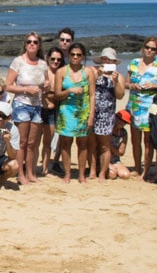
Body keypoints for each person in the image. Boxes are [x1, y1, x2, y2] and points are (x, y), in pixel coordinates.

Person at [6, 32, 48, 185]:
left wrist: (46, 86)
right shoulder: (18, 62)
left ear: (39, 45)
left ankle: (31, 173)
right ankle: (20, 174)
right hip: (21, 105)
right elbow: (8, 85)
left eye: (35, 42)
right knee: (22, 142)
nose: (32, 44)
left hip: (37, 105)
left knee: (32, 143)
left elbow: (46, 82)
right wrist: (26, 90)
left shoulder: (43, 63)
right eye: (29, 41)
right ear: (25, 44)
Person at [54, 42, 96, 183]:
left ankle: (81, 174)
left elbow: (92, 95)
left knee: (83, 144)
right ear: (68, 55)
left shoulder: (89, 72)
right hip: (66, 111)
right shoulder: (61, 72)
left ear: (83, 56)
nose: (75, 57)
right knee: (66, 144)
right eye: (73, 54)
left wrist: (91, 116)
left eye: (79, 55)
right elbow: (57, 95)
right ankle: (67, 173)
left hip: (83, 111)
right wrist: (70, 90)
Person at [126, 37, 157, 179]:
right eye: (147, 47)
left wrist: (155, 86)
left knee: (148, 141)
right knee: (135, 140)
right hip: (134, 105)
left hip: (150, 107)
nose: (149, 50)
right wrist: (132, 86)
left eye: (153, 49)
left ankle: (146, 170)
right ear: (143, 48)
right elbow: (126, 83)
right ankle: (138, 168)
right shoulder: (134, 63)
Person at [91, 48, 125, 181]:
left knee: (105, 145)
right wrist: (99, 74)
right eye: (105, 59)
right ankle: (93, 171)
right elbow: (88, 86)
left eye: (110, 60)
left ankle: (102, 173)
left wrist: (115, 81)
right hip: (93, 112)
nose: (107, 61)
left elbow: (120, 95)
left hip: (107, 115)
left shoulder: (118, 76)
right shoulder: (94, 71)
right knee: (92, 144)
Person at [43, 47, 64, 176]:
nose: (55, 61)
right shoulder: (43, 72)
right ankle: (40, 168)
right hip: (43, 109)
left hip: (56, 110)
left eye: (58, 60)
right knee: (40, 142)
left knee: (54, 140)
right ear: (48, 58)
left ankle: (49, 166)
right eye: (53, 59)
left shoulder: (62, 73)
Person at [108, 110, 131, 179]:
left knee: (125, 175)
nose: (122, 123)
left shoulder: (123, 133)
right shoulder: (107, 129)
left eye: (124, 122)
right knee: (112, 175)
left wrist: (108, 146)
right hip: (102, 158)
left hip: (115, 159)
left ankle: (112, 167)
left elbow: (121, 152)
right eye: (120, 120)